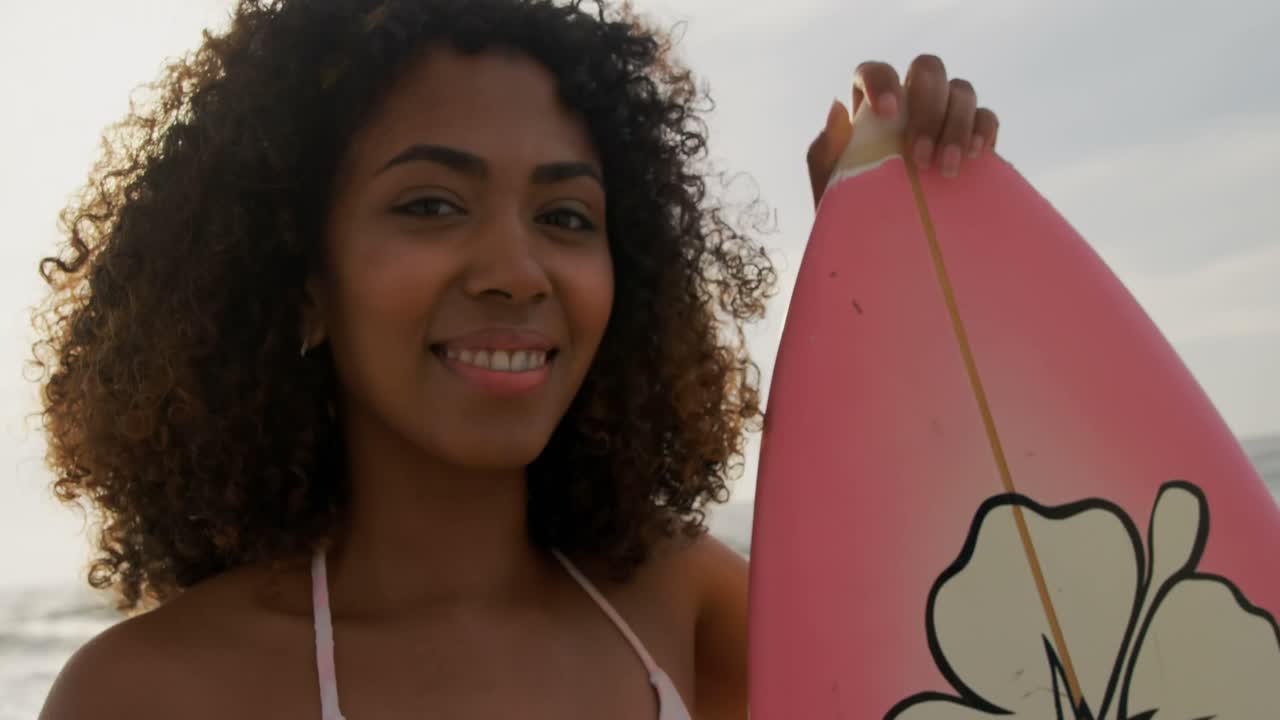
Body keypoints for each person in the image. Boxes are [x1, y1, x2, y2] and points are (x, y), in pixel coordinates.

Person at [33, 0, 998, 717]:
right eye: (431, 205)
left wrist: (903, 290)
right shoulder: (150, 695)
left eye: (566, 217)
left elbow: (981, 657)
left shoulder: (687, 611)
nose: (517, 271)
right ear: (303, 282)